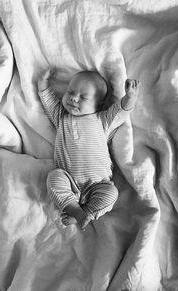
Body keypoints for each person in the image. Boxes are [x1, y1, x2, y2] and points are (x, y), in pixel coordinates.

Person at [38, 68, 139, 230]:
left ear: (98, 104)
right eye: (70, 92)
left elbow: (121, 111)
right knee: (54, 177)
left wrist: (130, 97)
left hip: (98, 185)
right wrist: (42, 84)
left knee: (111, 194)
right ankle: (72, 207)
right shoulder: (62, 117)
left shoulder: (102, 120)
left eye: (83, 97)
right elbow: (49, 101)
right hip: (69, 182)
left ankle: (85, 212)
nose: (73, 98)